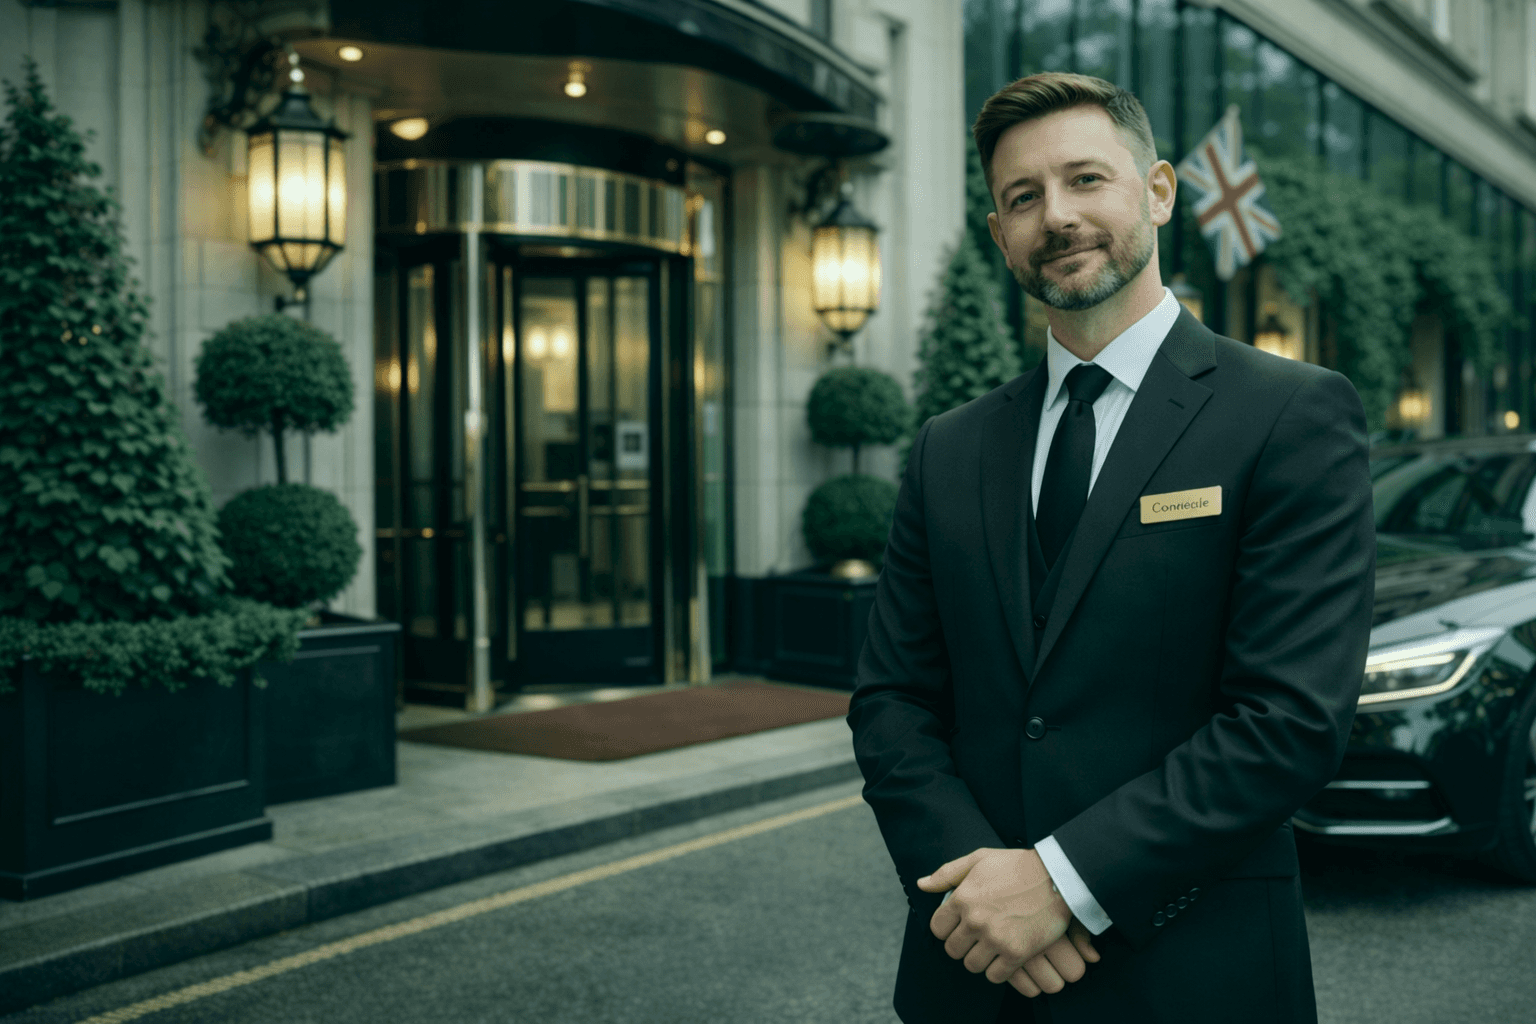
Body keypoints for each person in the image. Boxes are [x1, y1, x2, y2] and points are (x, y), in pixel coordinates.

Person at [846, 72, 1375, 1024]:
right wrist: (981, 894)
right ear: (1000, 229)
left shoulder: (1292, 415)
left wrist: (1060, 884)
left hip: (1196, 970)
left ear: (1160, 191)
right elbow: (894, 702)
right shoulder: (948, 447)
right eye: (1022, 197)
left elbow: (1287, 720)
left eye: (1086, 179)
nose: (1057, 216)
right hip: (972, 976)